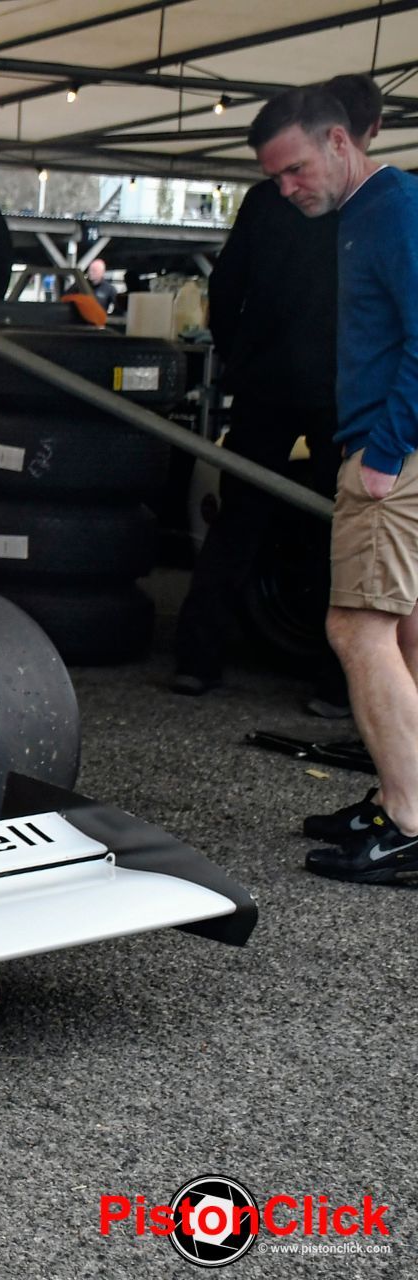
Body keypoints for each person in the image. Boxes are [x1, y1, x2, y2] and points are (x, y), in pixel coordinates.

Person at [248, 85, 418, 884]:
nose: (287, 189)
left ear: (340, 142)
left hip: (393, 458)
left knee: (357, 628)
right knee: (404, 631)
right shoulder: (371, 213)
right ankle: (399, 799)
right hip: (389, 449)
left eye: (294, 169)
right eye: (275, 179)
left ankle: (411, 819)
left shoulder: (391, 209)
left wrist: (384, 451)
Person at [171, 75, 377, 715]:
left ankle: (197, 661)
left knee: (240, 520)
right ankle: (331, 681)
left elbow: (224, 289)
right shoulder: (371, 205)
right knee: (333, 527)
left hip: (270, 383)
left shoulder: (266, 200)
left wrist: (239, 356)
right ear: (361, 134)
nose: (293, 184)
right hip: (336, 392)